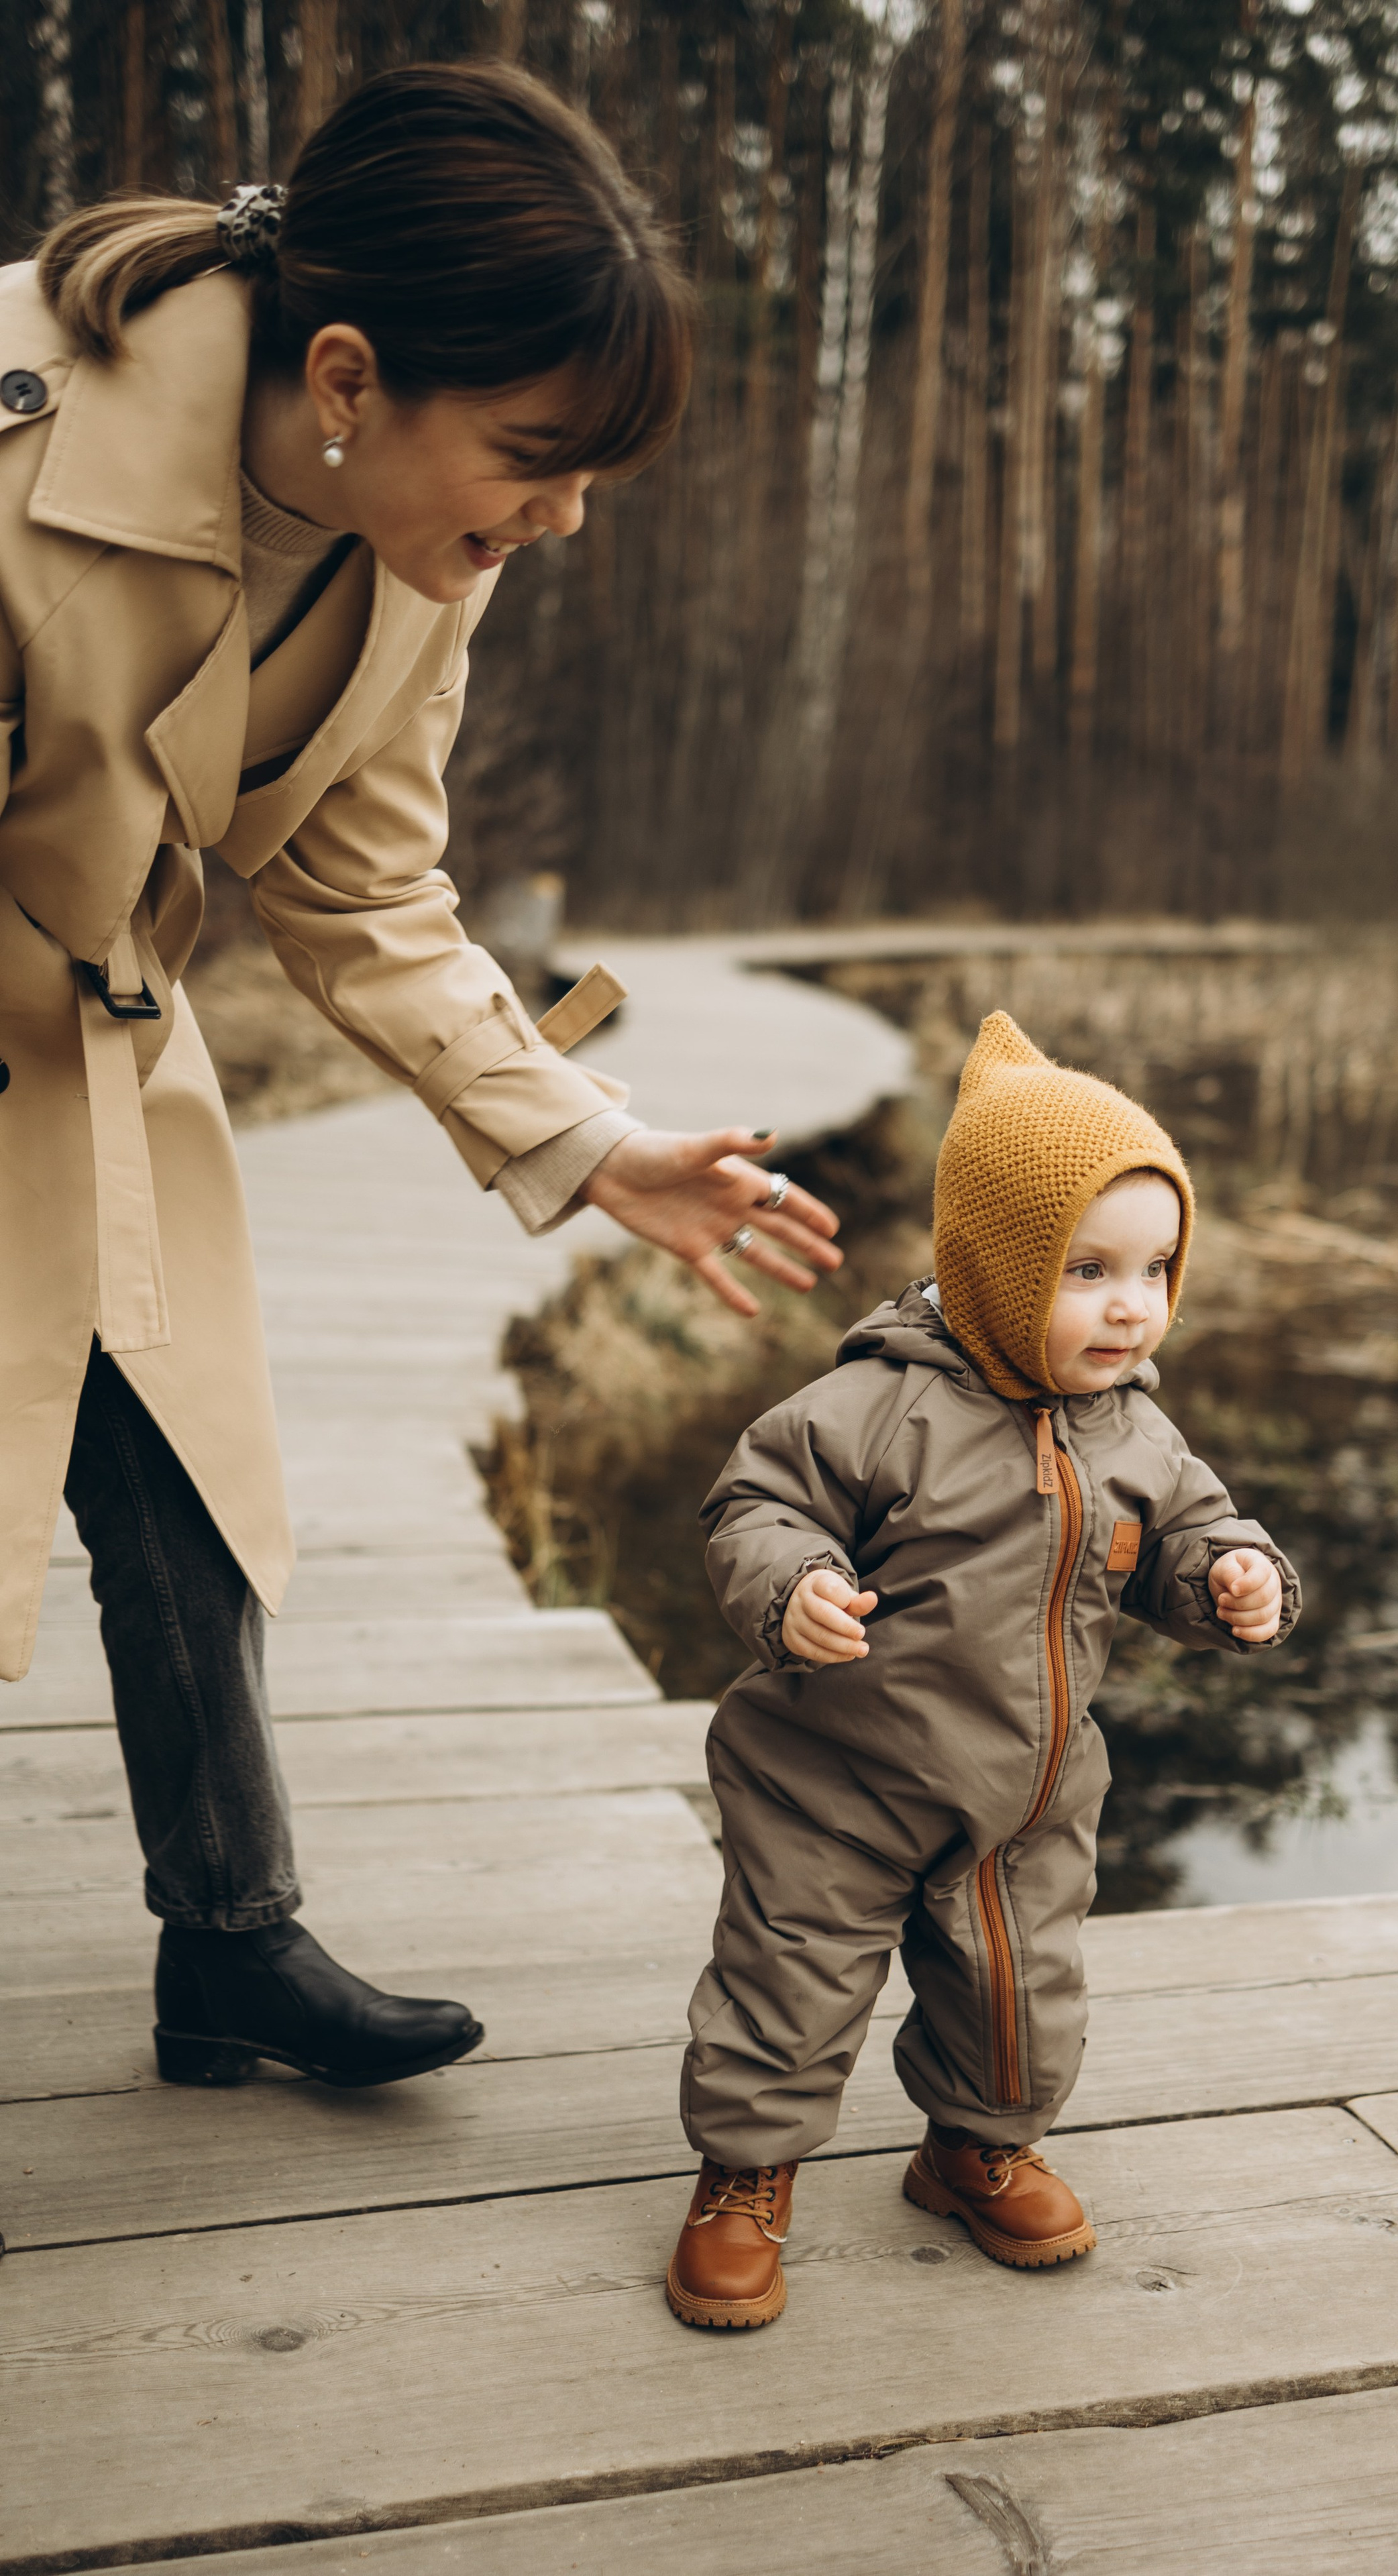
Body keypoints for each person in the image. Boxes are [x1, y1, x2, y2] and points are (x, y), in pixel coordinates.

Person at [0, 62, 840, 2094]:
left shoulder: (412, 568)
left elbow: (367, 887)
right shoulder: (19, 426)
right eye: (536, 461)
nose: (554, 522)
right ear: (352, 375)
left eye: (585, 487)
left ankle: (230, 1946)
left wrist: (594, 1141)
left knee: (184, 1483)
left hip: (91, 1051)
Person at [663, 1012, 1299, 2328]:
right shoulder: (877, 1407)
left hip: (1027, 1789)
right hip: (831, 1777)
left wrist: (1232, 1577)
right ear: (996, 1267)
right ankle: (744, 2173)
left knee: (1018, 1988)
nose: (1131, 1304)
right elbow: (753, 1506)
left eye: (1156, 1267)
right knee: (791, 1976)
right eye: (1086, 1270)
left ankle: (970, 2147)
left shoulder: (1132, 1429)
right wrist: (791, 1591)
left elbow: (1183, 1530)